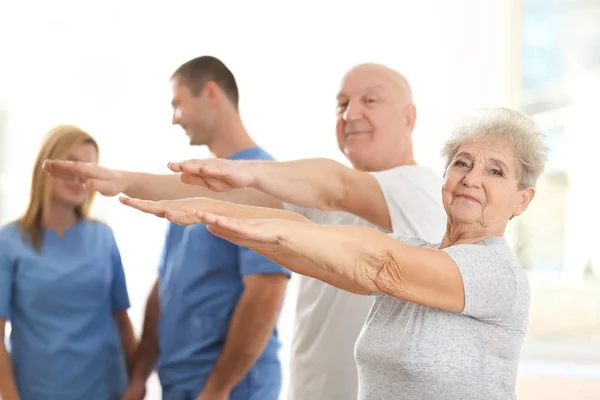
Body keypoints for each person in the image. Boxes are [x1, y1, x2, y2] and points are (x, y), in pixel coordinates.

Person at [42, 63, 447, 399]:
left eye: (369, 100)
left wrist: (217, 387)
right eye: (342, 103)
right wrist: (124, 180)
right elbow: (234, 193)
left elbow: (334, 185)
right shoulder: (318, 203)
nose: (350, 113)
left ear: (409, 118)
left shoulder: (416, 189)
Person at [121, 106, 549, 399]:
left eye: (495, 171)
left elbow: (379, 263)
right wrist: (207, 212)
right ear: (445, 177)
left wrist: (240, 211)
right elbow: (307, 250)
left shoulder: (496, 274)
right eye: (462, 163)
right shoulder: (418, 254)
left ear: (522, 200)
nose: (473, 177)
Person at [125, 56, 291, 400]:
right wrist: (140, 374)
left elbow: (265, 292)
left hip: (232, 391)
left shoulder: (262, 182)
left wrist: (218, 389)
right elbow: (165, 285)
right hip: (180, 384)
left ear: (211, 93)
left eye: (178, 103)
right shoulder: (193, 185)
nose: (174, 118)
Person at [0, 125, 136, 400]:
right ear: (47, 165)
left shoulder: (103, 238)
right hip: (38, 390)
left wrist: (137, 384)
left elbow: (122, 320)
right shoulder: (10, 241)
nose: (80, 175)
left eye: (89, 167)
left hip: (107, 389)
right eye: (72, 163)